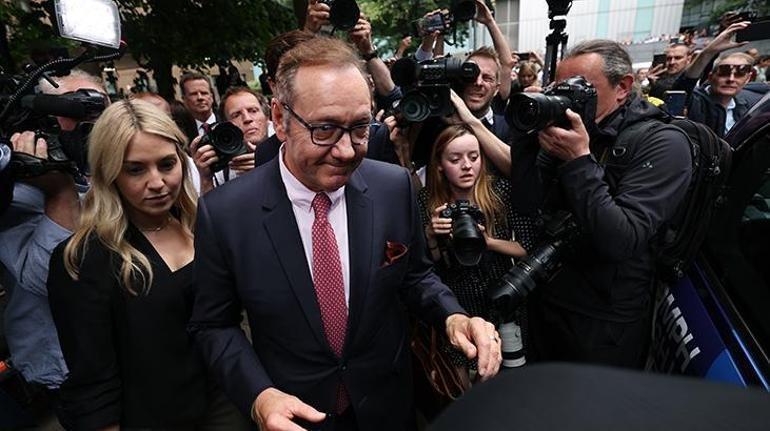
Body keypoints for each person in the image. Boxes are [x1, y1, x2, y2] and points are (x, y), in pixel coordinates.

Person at [188, 36, 502, 431]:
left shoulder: (393, 187)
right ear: (280, 118)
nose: (347, 151)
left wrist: (452, 316)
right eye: (325, 129)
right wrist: (259, 396)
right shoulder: (226, 213)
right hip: (293, 414)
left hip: (388, 406)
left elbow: (416, 276)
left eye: (359, 128)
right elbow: (213, 325)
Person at [477, 39, 693, 368]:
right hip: (548, 299)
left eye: (580, 88)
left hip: (604, 321)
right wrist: (524, 139)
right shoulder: (565, 133)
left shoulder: (663, 144)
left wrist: (578, 160)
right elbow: (526, 204)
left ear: (623, 87)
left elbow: (620, 240)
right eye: (560, 89)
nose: (567, 99)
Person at [46, 99, 249, 429]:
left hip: (230, 403)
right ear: (109, 172)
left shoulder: (201, 225)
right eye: (135, 169)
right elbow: (93, 383)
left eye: (167, 164)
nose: (156, 182)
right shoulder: (85, 258)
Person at [0, 70, 104, 391]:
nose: (93, 124)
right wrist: (60, 192)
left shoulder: (113, 173)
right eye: (76, 110)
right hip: (62, 373)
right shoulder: (17, 191)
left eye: (99, 110)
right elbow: (50, 280)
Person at [417, 124, 534, 364]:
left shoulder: (499, 191)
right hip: (456, 302)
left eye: (474, 157)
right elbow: (427, 267)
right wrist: (430, 235)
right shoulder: (427, 201)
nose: (467, 166)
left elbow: (526, 248)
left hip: (502, 300)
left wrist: (488, 242)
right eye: (455, 159)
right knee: (463, 374)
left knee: (510, 370)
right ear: (439, 164)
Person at [672, 22, 768, 138]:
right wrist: (708, 52)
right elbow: (680, 91)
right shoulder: (696, 101)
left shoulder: (748, 104)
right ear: (710, 76)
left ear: (748, 79)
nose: (731, 79)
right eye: (724, 72)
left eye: (740, 74)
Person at [190, 86, 265, 194]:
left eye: (253, 111)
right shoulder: (222, 168)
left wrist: (266, 167)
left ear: (267, 116)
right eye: (236, 115)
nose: (247, 119)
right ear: (226, 125)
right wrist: (205, 178)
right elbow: (212, 204)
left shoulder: (285, 149)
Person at [180, 72, 219, 141]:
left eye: (204, 93)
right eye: (194, 94)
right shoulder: (181, 132)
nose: (200, 98)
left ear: (212, 97)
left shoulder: (227, 120)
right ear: (184, 100)